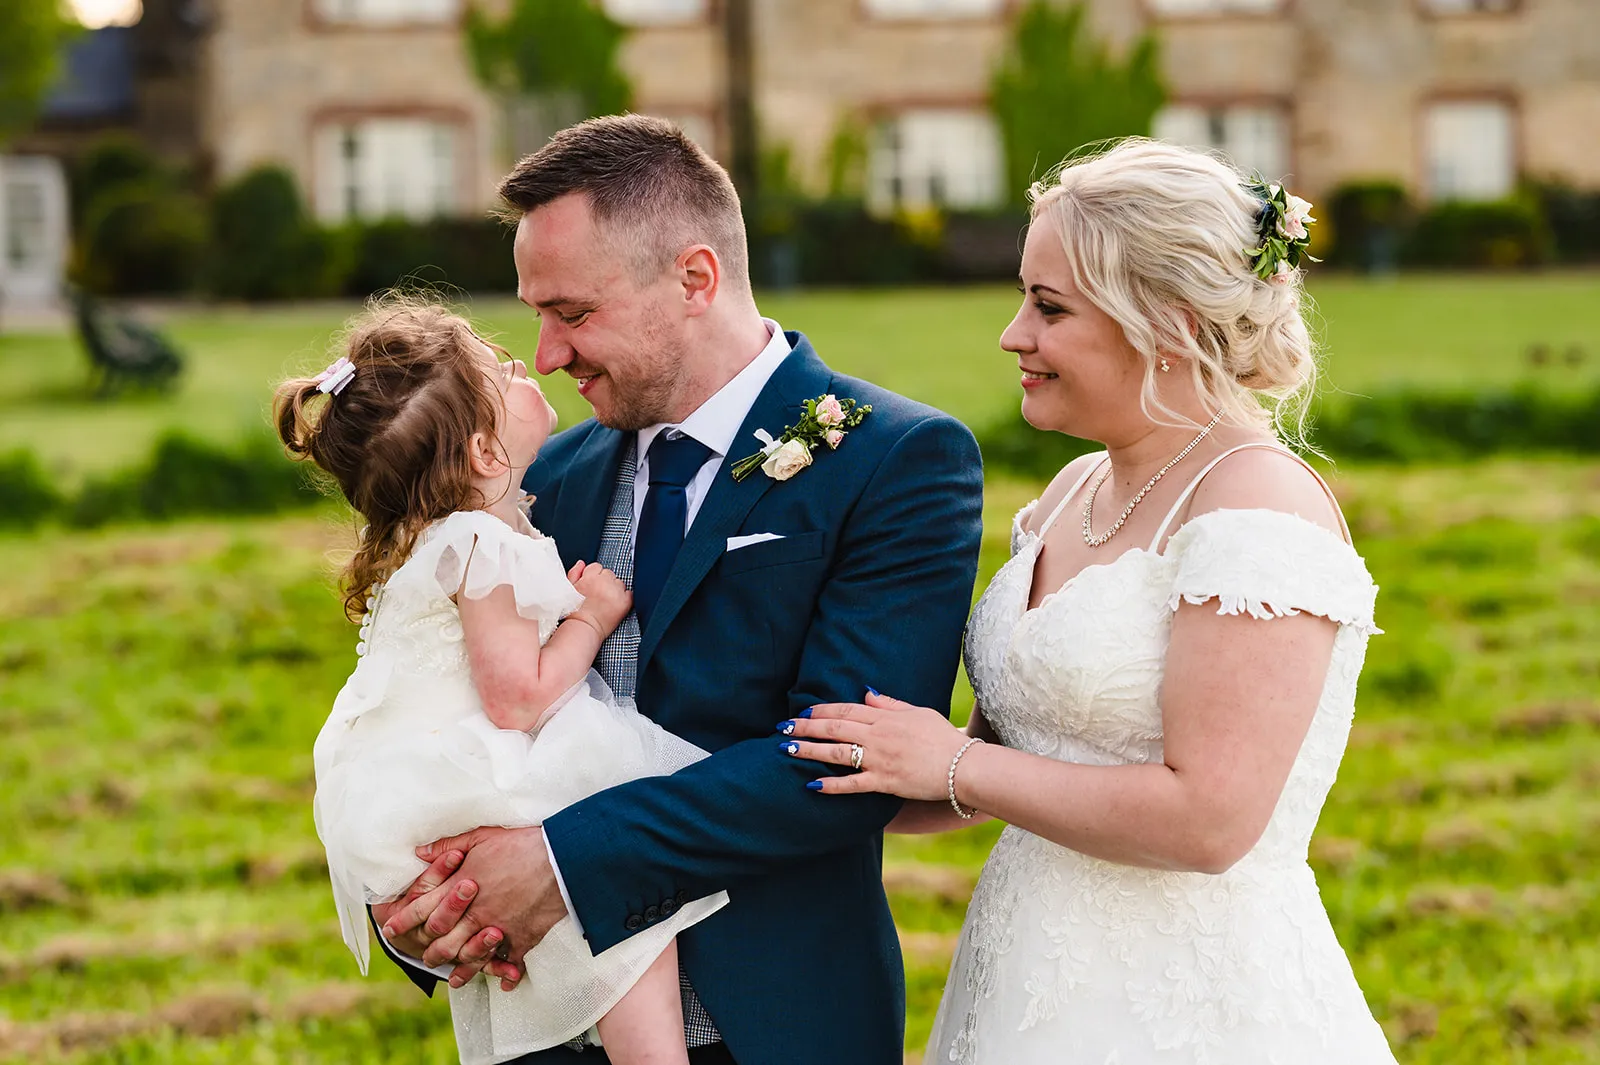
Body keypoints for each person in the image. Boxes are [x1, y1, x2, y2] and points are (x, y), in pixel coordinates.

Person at [371, 115, 986, 1065]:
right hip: (544, 1029)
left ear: (695, 279)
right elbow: (441, 703)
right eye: (536, 315)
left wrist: (564, 864)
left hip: (772, 1023)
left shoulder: (895, 460)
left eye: (573, 314)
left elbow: (846, 764)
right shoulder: (541, 480)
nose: (546, 355)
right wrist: (426, 901)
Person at [783, 139, 1400, 1063]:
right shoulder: (1072, 490)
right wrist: (826, 761)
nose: (1013, 334)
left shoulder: (1257, 503)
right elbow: (994, 765)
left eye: (1050, 306)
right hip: (1019, 978)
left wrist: (952, 762)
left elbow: (1210, 819)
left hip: (1188, 1007)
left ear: (1167, 324)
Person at [274, 301, 729, 1065]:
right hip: (483, 776)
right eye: (502, 372)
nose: (527, 366)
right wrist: (591, 618)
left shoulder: (431, 537)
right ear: (486, 451)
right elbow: (517, 698)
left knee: (588, 925)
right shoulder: (483, 541)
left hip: (412, 786)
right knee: (629, 907)